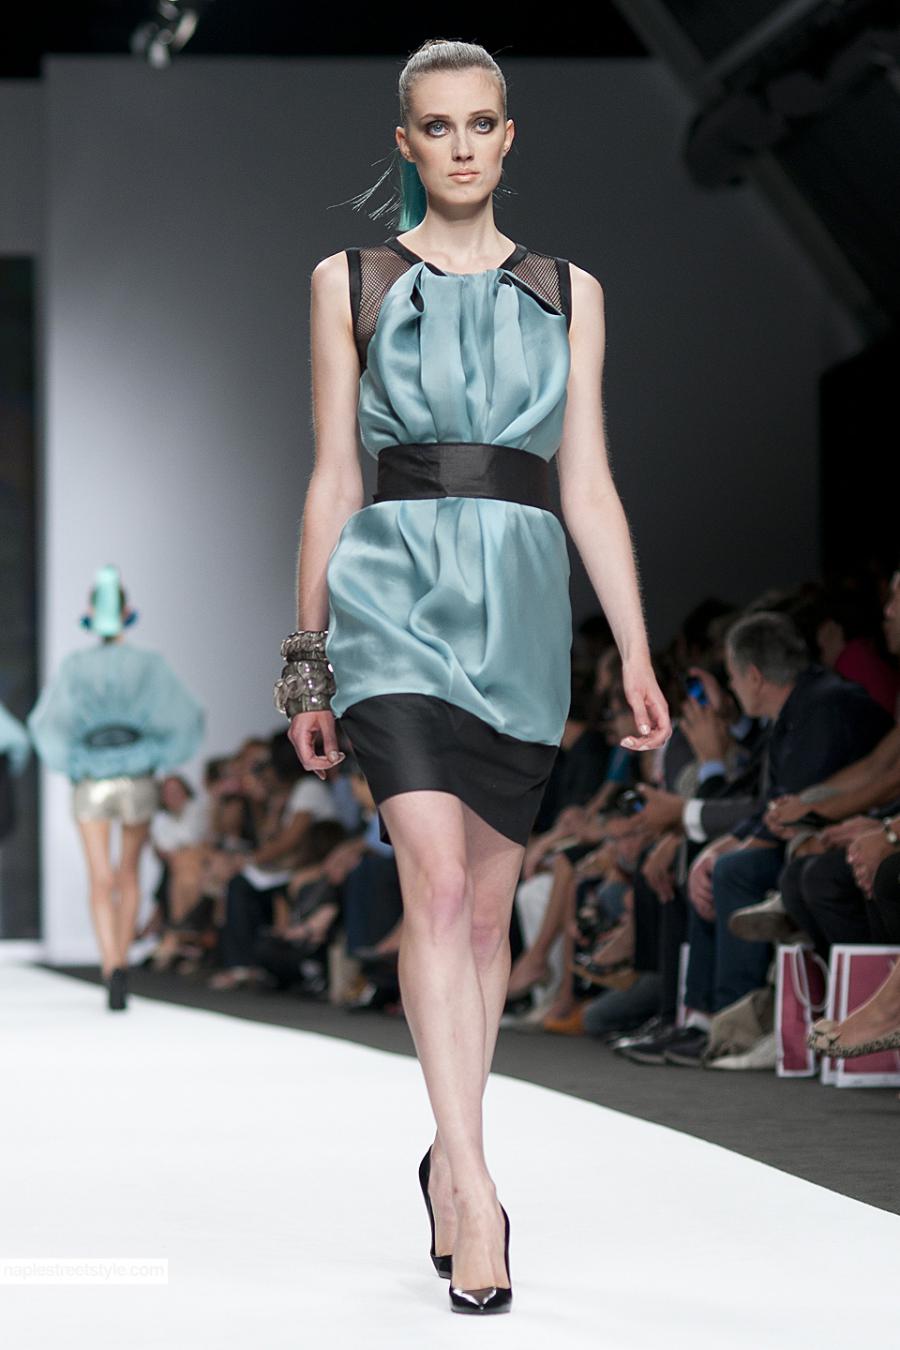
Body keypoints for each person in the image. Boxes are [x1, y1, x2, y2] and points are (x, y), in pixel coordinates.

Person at [273, 39, 670, 1314]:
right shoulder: (351, 280)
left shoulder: (568, 291)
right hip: (390, 597)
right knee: (437, 891)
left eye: (480, 123)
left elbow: (588, 481)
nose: (460, 145)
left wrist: (637, 647)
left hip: (522, 613)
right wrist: (308, 661)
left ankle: (451, 1148)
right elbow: (334, 475)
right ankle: (475, 1184)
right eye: (436, 126)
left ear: (508, 136)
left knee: (487, 918)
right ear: (406, 144)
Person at [26, 564, 204, 1011]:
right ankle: (122, 960)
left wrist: (74, 762)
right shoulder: (148, 665)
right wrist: (155, 755)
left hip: (92, 777)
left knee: (100, 877)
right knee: (128, 873)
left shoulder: (76, 667)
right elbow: (183, 715)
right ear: (128, 612)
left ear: (91, 612)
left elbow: (49, 722)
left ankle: (109, 963)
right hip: (137, 774)